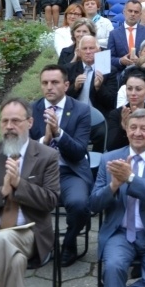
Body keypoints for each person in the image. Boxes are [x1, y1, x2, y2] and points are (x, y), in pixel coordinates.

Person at [0, 98, 60, 286]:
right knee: (15, 260)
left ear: (30, 123)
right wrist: (2, 191)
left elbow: (51, 200)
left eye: (16, 121)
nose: (9, 126)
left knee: (3, 240)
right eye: (4, 121)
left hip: (31, 232)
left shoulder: (46, 156)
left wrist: (19, 184)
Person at [90, 108, 145, 287]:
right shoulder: (109, 158)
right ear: (127, 130)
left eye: (144, 129)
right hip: (120, 233)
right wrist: (114, 185)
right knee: (113, 269)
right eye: (133, 127)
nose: (137, 133)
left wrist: (130, 178)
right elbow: (93, 204)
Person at [28, 65, 92, 267]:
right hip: (38, 172)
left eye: (55, 82)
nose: (49, 87)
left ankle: (70, 242)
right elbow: (24, 152)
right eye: (45, 83)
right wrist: (45, 140)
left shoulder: (81, 110)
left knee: (80, 204)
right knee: (17, 198)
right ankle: (41, 244)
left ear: (66, 85)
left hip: (69, 171)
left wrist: (58, 134)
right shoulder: (30, 110)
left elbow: (79, 151)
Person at [107, 0, 145, 71]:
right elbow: (109, 58)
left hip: (141, 71)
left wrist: (140, 61)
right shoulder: (114, 34)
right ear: (124, 12)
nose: (133, 14)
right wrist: (120, 61)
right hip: (120, 73)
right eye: (130, 11)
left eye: (136, 12)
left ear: (140, 15)